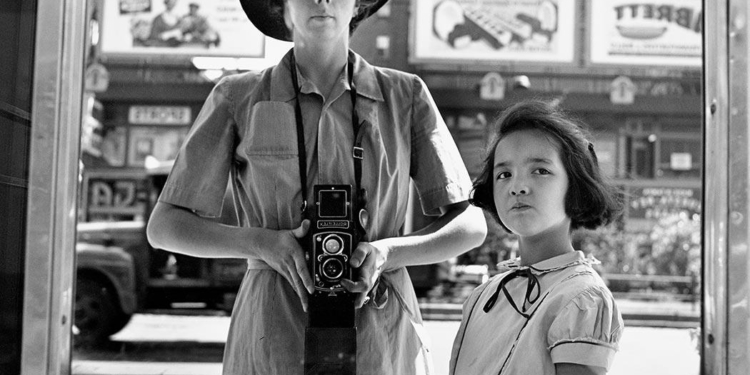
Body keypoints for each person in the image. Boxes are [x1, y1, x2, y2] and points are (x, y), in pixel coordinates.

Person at [146, 0, 487, 374]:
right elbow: (165, 227)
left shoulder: (405, 96)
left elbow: (470, 226)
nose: (322, 0)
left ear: (357, 5)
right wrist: (261, 243)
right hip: (272, 330)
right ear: (282, 7)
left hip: (381, 332)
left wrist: (388, 253)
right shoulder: (237, 97)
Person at [449, 100, 624, 375]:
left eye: (540, 170)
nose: (517, 186)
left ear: (575, 186)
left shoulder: (581, 299)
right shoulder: (483, 295)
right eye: (504, 174)